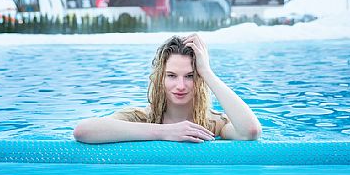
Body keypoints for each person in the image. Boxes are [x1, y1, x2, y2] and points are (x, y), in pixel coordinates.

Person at [73, 34, 262, 143]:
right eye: (171, 75)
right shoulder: (140, 117)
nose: (180, 86)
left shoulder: (212, 124)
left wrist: (207, 71)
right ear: (160, 79)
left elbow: (250, 131)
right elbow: (83, 131)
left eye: (190, 76)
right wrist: (164, 132)